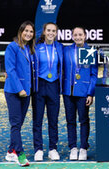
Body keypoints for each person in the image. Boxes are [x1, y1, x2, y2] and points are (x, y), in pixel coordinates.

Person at [4, 21, 38, 167]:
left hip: (27, 92)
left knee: (18, 124)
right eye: (26, 31)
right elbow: (10, 70)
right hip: (14, 91)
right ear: (21, 31)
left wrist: (28, 90)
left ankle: (10, 152)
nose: (28, 34)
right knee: (16, 124)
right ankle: (20, 154)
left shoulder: (29, 49)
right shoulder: (12, 47)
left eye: (31, 32)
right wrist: (19, 89)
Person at [62, 27, 98, 161]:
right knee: (70, 121)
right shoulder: (66, 50)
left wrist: (90, 93)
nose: (78, 37)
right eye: (75, 35)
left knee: (83, 120)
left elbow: (94, 75)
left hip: (83, 92)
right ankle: (73, 148)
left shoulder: (90, 51)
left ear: (85, 36)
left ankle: (83, 147)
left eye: (80, 35)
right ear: (72, 36)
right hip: (68, 91)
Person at [32, 22, 63, 161]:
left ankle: (53, 148)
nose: (51, 33)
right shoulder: (36, 47)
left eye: (54, 31)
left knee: (53, 120)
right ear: (44, 32)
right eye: (48, 30)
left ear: (56, 33)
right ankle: (38, 149)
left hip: (54, 85)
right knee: (37, 120)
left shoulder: (60, 47)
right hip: (39, 85)